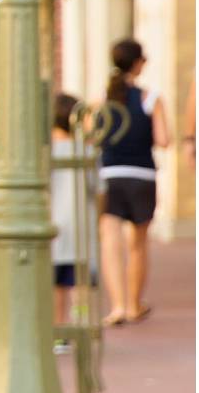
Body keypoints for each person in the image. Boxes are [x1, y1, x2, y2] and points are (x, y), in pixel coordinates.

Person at [97, 36, 168, 326]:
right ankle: (133, 304)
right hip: (142, 176)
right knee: (137, 244)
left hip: (110, 175)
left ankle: (116, 307)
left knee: (110, 242)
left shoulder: (102, 100)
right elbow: (164, 140)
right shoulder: (151, 98)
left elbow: (92, 136)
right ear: (138, 64)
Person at [49, 93, 95, 327]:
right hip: (81, 224)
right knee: (81, 280)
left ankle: (59, 327)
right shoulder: (86, 152)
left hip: (55, 226)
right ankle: (81, 320)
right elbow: (98, 188)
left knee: (57, 283)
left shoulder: (45, 153)